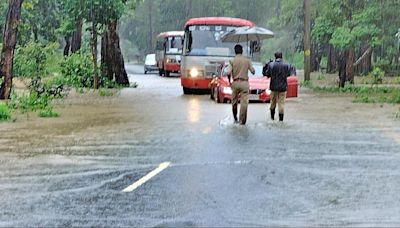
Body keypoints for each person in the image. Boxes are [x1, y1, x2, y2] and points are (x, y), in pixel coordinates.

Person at [227, 44, 255, 125]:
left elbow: (228, 72)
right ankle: (242, 121)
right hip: (245, 83)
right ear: (242, 51)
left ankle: (235, 117)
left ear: (235, 51)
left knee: (234, 101)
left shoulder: (232, 61)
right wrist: (249, 65)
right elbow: (253, 71)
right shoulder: (247, 60)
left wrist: (230, 82)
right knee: (244, 102)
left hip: (235, 83)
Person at [263, 51, 291, 122]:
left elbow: (267, 74)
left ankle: (272, 118)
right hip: (283, 88)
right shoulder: (286, 65)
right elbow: (289, 74)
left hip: (273, 87)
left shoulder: (271, 65)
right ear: (281, 57)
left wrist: (266, 66)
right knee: (281, 104)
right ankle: (281, 120)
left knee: (273, 103)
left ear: (275, 57)